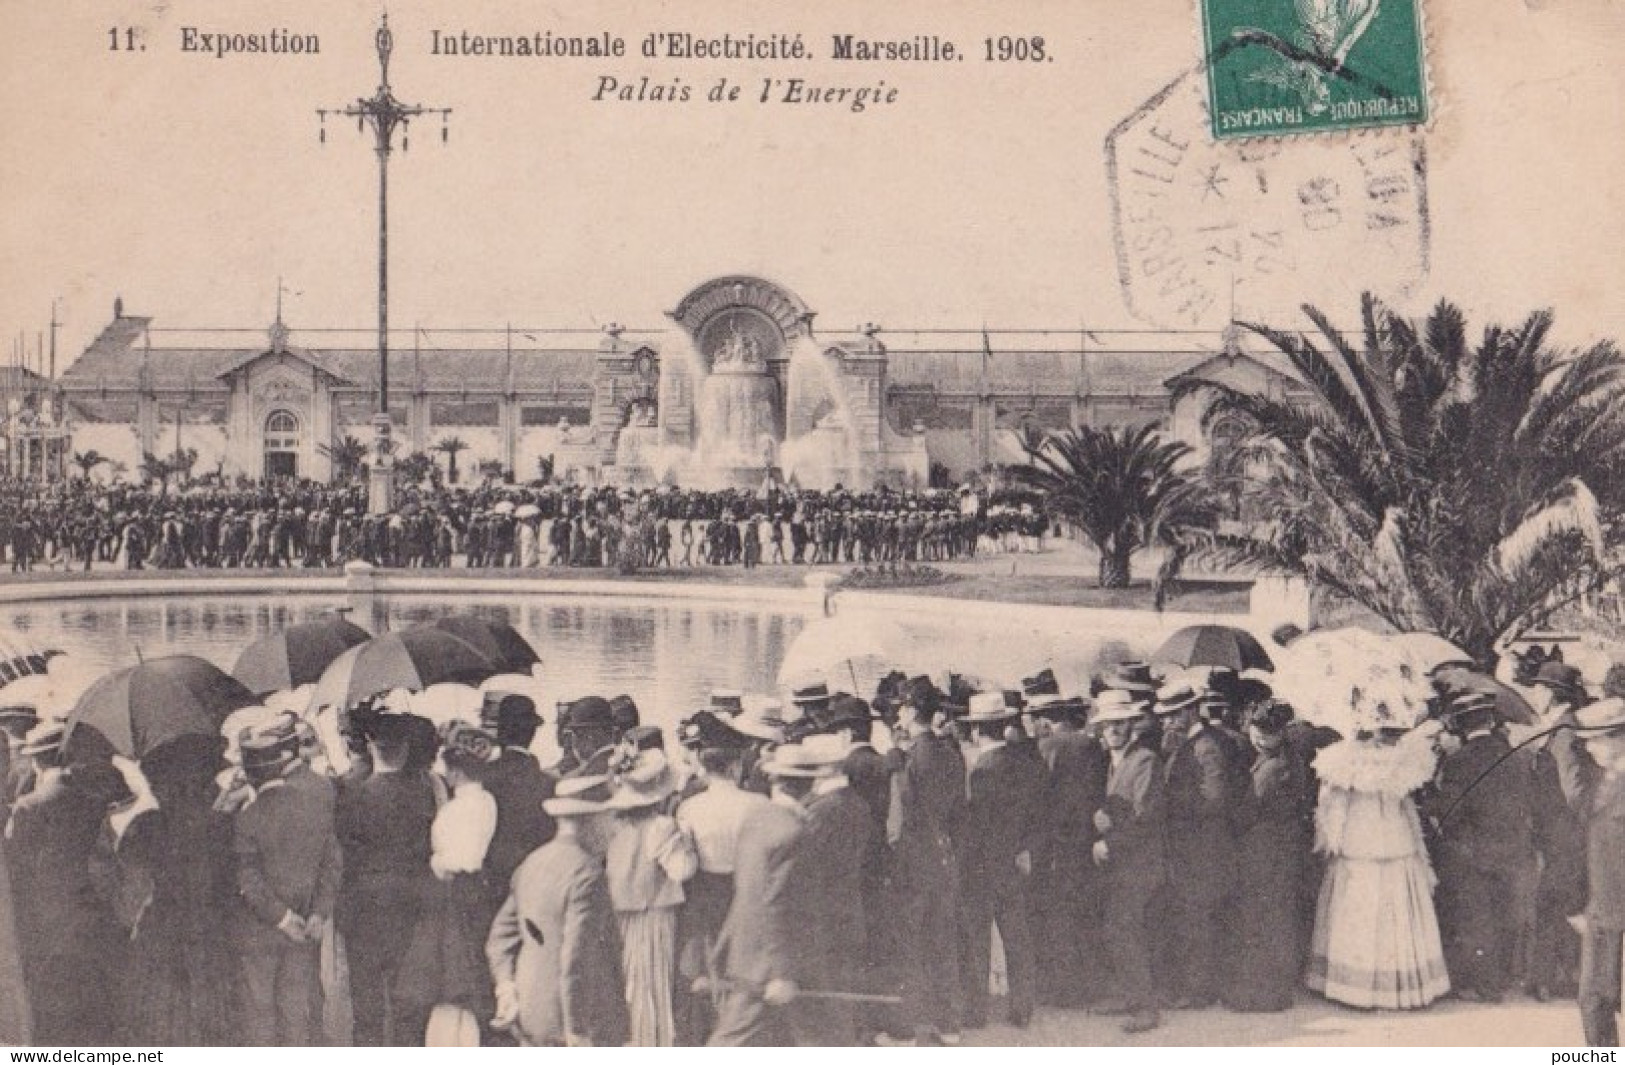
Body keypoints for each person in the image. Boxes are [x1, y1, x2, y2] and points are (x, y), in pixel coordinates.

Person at [1306, 715, 1451, 1010]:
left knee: (1362, 910)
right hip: (1389, 843)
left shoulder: (1345, 761)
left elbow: (1332, 808)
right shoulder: (1402, 762)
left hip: (1363, 844)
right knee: (1391, 909)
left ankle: (1356, 988)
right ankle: (1396, 986)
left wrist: (1330, 841)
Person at [707, 737, 838, 1047]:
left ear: (776, 780)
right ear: (810, 785)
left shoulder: (755, 818)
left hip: (746, 950)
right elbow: (775, 902)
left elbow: (748, 888)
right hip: (772, 963)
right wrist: (780, 972)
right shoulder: (794, 832)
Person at [487, 769, 628, 1047]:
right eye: (612, 818)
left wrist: (506, 988)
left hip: (530, 1010)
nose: (615, 829)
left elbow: (499, 938)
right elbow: (576, 956)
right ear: (593, 820)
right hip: (581, 1019)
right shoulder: (588, 874)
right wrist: (576, 1028)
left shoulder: (532, 863)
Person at [6, 724, 126, 1044]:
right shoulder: (94, 797)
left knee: (57, 1007)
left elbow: (18, 869)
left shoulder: (29, 806)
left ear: (36, 762)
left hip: (47, 919)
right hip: (93, 910)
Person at [119, 736, 239, 1045]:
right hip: (212, 934)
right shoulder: (222, 823)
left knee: (161, 1022)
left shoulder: (146, 826)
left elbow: (130, 894)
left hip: (161, 933)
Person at [232, 720, 343, 1046]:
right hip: (307, 923)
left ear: (250, 774)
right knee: (296, 1010)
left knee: (259, 1012)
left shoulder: (246, 818)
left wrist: (280, 917)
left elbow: (248, 878)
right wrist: (319, 914)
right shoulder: (315, 807)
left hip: (260, 929)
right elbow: (333, 865)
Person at [1422, 691, 1535, 1003]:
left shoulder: (1461, 760)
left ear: (1460, 725)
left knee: (1474, 916)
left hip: (1472, 850)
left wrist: (1430, 795)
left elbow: (1451, 811)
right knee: (1501, 912)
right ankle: (1498, 979)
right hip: (1510, 845)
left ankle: (1481, 984)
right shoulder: (1513, 753)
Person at [336, 714, 438, 1046]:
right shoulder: (425, 794)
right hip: (410, 907)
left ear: (371, 748)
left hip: (362, 910)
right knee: (407, 1004)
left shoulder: (350, 794)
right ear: (405, 749)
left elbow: (343, 856)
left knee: (366, 1009)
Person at [397, 723, 500, 1046]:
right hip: (475, 894)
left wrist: (436, 861)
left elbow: (452, 860)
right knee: (467, 979)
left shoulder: (455, 809)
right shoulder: (487, 802)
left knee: (445, 980)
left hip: (450, 895)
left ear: (456, 771)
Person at [670, 713, 769, 1044]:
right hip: (746, 893)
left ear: (706, 765)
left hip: (703, 896)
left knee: (703, 974)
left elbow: (686, 858)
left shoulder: (689, 808)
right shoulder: (758, 805)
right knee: (741, 976)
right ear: (735, 766)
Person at [884, 683, 967, 1045]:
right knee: (943, 938)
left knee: (912, 938)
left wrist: (895, 760)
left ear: (909, 710)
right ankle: (949, 1020)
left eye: (900, 707)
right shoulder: (950, 752)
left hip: (916, 857)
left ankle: (913, 1021)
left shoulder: (911, 758)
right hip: (945, 852)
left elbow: (902, 815)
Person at [1160, 684, 1250, 1009]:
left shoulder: (1207, 746)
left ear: (1191, 711)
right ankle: (1202, 986)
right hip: (1198, 845)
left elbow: (1215, 798)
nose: (1170, 720)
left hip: (1203, 846)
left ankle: (1200, 991)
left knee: (1199, 917)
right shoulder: (1197, 742)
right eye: (1168, 714)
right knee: (1198, 916)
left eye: (1175, 714)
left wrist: (1174, 805)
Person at [958, 692, 1043, 1030]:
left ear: (978, 731)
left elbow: (976, 824)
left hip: (982, 865)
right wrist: (1023, 847)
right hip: (1013, 859)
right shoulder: (1023, 763)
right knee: (1017, 935)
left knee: (978, 937)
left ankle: (975, 1011)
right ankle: (1022, 1006)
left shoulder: (982, 771)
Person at [1226, 700, 1316, 1012]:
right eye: (1257, 731)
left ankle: (1264, 993)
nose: (1258, 738)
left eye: (1263, 732)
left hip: (1264, 851)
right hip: (1280, 851)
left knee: (1262, 921)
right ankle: (1272, 990)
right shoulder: (1286, 761)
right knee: (1276, 918)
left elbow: (1246, 811)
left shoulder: (1272, 768)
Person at [606, 746, 697, 1046]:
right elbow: (682, 870)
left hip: (618, 913)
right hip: (652, 918)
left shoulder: (610, 825)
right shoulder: (662, 827)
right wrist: (687, 840)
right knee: (650, 989)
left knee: (624, 984)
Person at [1549, 692, 1625, 1045]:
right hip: (1601, 911)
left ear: (1619, 738)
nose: (1589, 749)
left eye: (1594, 740)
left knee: (1600, 1001)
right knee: (1593, 1002)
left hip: (1616, 913)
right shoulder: (1607, 780)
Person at [1091, 689, 1168, 1034]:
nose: (1115, 730)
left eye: (1121, 724)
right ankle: (1130, 995)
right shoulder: (1115, 761)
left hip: (1138, 862)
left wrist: (1110, 842)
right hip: (1124, 863)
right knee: (1119, 929)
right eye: (1109, 725)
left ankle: (1144, 1008)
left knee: (1125, 930)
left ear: (1132, 725)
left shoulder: (1145, 760)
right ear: (1101, 729)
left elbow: (1146, 817)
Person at [1029, 691, 1109, 1009]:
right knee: (1085, 913)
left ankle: (1061, 988)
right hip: (1085, 840)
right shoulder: (1089, 745)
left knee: (1057, 915)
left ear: (1046, 719)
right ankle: (1089, 985)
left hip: (1053, 845)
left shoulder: (1043, 749)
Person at [478, 692, 558, 914]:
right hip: (533, 879)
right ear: (532, 733)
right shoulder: (547, 783)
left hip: (489, 879)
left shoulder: (481, 777)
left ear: (499, 732)